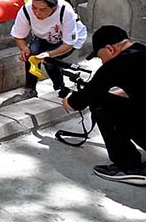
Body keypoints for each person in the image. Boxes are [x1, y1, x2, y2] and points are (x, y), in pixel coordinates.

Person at [62, 25, 146, 186]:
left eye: (101, 57)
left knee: (100, 102)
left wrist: (67, 99)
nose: (102, 62)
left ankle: (129, 166)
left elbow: (79, 102)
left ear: (110, 49)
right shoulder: (142, 51)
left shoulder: (116, 65)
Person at [4, 0, 87, 104]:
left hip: (68, 40)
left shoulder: (65, 11)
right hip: (43, 36)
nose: (37, 13)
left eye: (43, 10)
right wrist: (23, 49)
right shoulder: (26, 9)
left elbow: (68, 44)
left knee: (49, 60)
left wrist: (48, 54)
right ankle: (30, 89)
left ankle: (59, 88)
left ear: (53, 7)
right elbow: (19, 35)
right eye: (34, 7)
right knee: (31, 55)